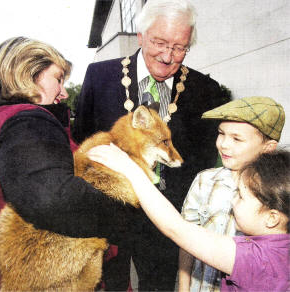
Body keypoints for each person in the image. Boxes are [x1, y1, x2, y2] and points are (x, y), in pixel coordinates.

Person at [73, 0, 228, 290]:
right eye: (159, 42)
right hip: (109, 215)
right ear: (141, 36)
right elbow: (81, 139)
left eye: (179, 47)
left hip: (168, 221)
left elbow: (205, 160)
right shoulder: (100, 76)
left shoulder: (205, 90)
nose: (168, 56)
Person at [0, 37, 134, 291]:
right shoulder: (26, 120)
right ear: (29, 74)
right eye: (58, 79)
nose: (65, 93)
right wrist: (122, 210)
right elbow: (53, 199)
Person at [88, 144, 290, 292]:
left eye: (241, 196)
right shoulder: (281, 250)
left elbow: (176, 228)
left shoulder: (260, 260)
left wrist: (130, 169)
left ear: (272, 218)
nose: (233, 200)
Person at [179, 96, 286, 291]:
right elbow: (186, 238)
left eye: (237, 139)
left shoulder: (276, 195)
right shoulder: (204, 181)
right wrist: (184, 287)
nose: (224, 145)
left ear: (268, 148)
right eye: (221, 133)